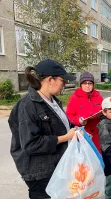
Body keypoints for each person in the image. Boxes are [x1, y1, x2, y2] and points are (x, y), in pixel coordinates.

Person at [8, 59, 78, 199]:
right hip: (40, 172)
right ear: (50, 80)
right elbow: (31, 144)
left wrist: (74, 129)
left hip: (57, 165)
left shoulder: (53, 100)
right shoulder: (28, 105)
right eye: (63, 81)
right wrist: (65, 137)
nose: (65, 84)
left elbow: (60, 126)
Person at [66, 72, 103, 153]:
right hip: (82, 134)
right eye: (84, 83)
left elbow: (103, 111)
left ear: (93, 84)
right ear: (81, 84)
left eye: (90, 83)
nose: (87, 85)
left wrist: (103, 114)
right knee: (85, 160)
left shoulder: (98, 96)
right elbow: (69, 115)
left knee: (98, 157)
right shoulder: (75, 97)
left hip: (98, 134)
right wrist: (78, 121)